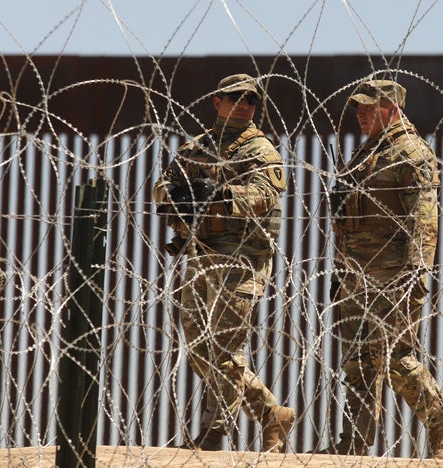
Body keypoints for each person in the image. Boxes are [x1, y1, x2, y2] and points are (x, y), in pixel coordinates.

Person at [316, 79, 443, 458]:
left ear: (393, 107)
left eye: (369, 106)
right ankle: (354, 441)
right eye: (358, 108)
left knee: (396, 358)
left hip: (392, 274)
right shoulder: (369, 153)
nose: (361, 114)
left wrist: (416, 272)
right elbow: (350, 219)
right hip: (358, 273)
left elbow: (423, 217)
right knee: (358, 362)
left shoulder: (410, 152)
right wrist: (340, 270)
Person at [153, 73, 295, 452]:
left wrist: (220, 194)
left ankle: (214, 431)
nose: (245, 104)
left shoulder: (260, 151)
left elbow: (265, 193)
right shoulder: (195, 148)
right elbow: (162, 186)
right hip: (199, 253)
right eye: (237, 97)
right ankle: (270, 414)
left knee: (226, 346)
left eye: (251, 100)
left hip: (241, 259)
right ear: (218, 101)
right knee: (200, 345)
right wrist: (177, 195)